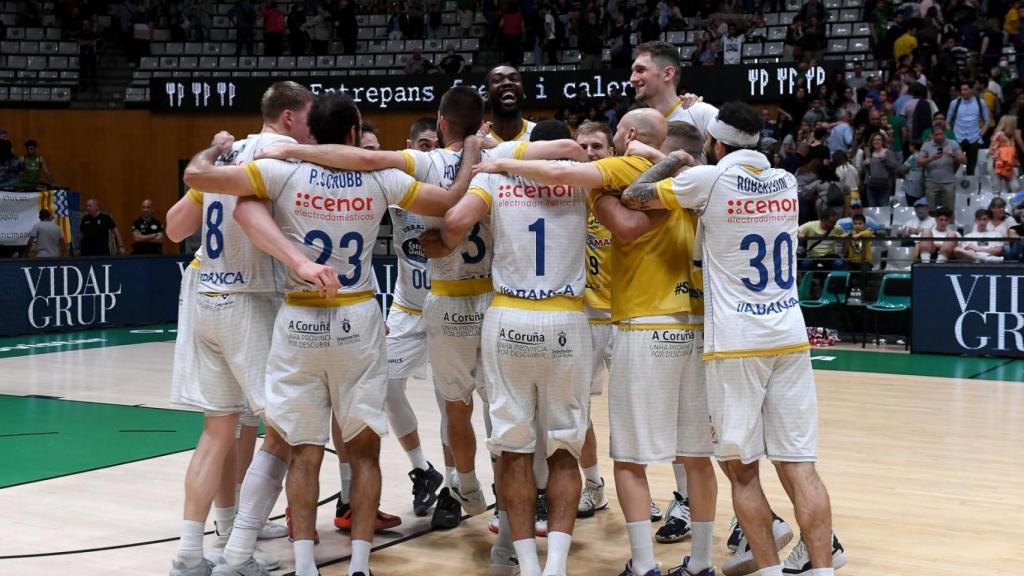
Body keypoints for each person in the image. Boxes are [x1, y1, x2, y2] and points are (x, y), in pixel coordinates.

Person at [183, 92, 476, 576]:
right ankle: (359, 564)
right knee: (362, 451)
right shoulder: (380, 176)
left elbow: (201, 181)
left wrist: (212, 151)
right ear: (351, 134)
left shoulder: (282, 170)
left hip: (298, 317)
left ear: (310, 133)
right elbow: (448, 200)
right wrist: (469, 159)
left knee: (297, 447)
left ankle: (299, 565)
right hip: (357, 315)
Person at [473, 108, 719, 576]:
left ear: (623, 139)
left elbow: (577, 179)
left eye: (598, 147)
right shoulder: (699, 179)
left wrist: (503, 161)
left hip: (634, 320)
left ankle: (643, 563)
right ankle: (701, 561)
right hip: (687, 320)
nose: (590, 153)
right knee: (694, 454)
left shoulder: (613, 176)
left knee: (625, 456)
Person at [621, 100, 838, 576]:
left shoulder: (707, 179)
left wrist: (677, 160)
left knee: (742, 470)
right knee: (800, 465)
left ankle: (767, 570)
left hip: (738, 343)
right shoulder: (786, 182)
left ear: (715, 144)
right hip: (790, 335)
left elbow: (635, 194)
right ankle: (822, 569)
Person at [169, 81, 316, 576]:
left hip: (204, 296)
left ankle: (194, 551)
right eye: (310, 118)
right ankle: (240, 547)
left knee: (219, 430)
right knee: (283, 430)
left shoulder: (222, 159)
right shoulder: (280, 152)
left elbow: (173, 229)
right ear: (292, 119)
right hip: (248, 302)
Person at [434, 119, 592, 576]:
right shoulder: (581, 177)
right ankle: (556, 566)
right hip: (565, 317)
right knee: (563, 448)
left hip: (509, 318)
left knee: (514, 451)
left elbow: (453, 224)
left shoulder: (496, 176)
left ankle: (522, 561)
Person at [572, 121, 615, 521]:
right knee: (576, 411)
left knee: (636, 413)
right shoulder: (567, 195)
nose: (588, 152)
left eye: (597, 145)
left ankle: (657, 495)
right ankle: (595, 485)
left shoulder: (624, 191)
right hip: (581, 318)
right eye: (581, 145)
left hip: (625, 317)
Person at [630, 41, 719, 135]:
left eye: (640, 70)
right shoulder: (638, 125)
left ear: (667, 74)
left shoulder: (703, 114)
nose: (632, 79)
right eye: (632, 71)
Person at [918, 122, 965, 210]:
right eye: (936, 135)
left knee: (949, 211)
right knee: (931, 212)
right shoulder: (926, 145)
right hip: (931, 182)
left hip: (949, 182)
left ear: (944, 133)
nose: (939, 136)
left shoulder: (953, 144)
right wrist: (932, 158)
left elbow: (964, 161)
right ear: (932, 135)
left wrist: (953, 154)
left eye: (941, 134)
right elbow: (919, 162)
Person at [947, 82, 991, 175]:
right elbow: (947, 121)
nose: (963, 92)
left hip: (974, 137)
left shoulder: (980, 102)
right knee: (953, 164)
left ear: (971, 89)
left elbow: (987, 121)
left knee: (971, 166)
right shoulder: (954, 103)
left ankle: (971, 187)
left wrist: (982, 132)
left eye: (965, 89)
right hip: (958, 137)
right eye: (962, 90)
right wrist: (951, 136)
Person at [485, 65, 535, 142]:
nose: (507, 83)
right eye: (498, 80)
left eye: (514, 79)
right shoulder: (476, 144)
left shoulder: (540, 136)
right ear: (486, 96)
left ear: (523, 93)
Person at [861, 132, 899, 207]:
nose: (876, 141)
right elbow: (866, 171)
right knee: (872, 207)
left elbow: (894, 167)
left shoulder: (888, 152)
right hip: (871, 186)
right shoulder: (870, 153)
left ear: (882, 141)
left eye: (878, 139)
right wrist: (865, 165)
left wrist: (883, 159)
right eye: (874, 140)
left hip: (884, 185)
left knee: (883, 208)